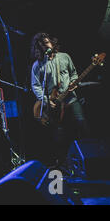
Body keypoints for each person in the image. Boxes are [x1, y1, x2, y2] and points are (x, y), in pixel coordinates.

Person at [30, 32, 89, 168]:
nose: (45, 46)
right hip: (55, 103)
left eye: (46, 43)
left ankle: (89, 158)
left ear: (52, 42)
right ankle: (62, 163)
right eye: (41, 45)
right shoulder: (37, 65)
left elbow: (73, 73)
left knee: (82, 124)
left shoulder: (64, 57)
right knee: (60, 134)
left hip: (71, 99)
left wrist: (74, 82)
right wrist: (45, 100)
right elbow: (36, 85)